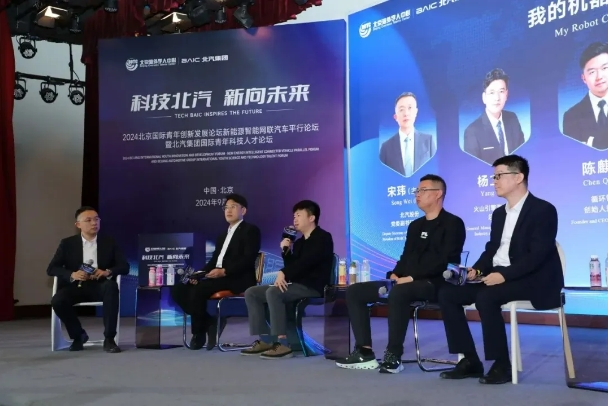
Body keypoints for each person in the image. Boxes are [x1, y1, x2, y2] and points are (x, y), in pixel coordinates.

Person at [438, 155, 564, 385]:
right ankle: (470, 360)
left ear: (518, 177)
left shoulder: (543, 210)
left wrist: (503, 275)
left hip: (534, 278)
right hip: (500, 275)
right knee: (448, 294)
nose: (494, 181)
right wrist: (477, 270)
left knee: (487, 297)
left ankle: (501, 365)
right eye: (493, 177)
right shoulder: (498, 214)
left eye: (499, 176)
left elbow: (536, 256)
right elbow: (492, 249)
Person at [335, 174, 466, 373]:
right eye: (417, 191)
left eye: (423, 190)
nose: (417, 194)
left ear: (438, 194)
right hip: (406, 282)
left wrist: (411, 278)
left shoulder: (453, 223)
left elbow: (445, 261)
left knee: (399, 292)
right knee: (355, 291)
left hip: (436, 284)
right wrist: (395, 274)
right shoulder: (415, 226)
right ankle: (364, 352)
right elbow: (406, 258)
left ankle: (393, 354)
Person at [241, 200, 334, 359]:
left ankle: (282, 343)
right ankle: (266, 339)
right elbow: (293, 268)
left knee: (274, 292)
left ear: (311, 218)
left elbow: (307, 262)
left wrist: (284, 272)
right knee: (252, 292)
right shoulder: (298, 243)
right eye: (294, 216)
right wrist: (286, 251)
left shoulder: (323, 237)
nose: (295, 219)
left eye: (299, 215)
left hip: (313, 286)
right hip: (296, 284)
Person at [171, 193, 261, 350]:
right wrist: (199, 274)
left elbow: (248, 259)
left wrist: (225, 271)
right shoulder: (222, 236)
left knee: (199, 290)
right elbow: (214, 261)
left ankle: (198, 333)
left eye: (233, 207)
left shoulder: (250, 231)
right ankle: (210, 322)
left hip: (238, 278)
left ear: (243, 210)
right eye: (226, 207)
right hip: (218, 277)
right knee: (179, 289)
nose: (228, 210)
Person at [48, 206, 129, 353]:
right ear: (78, 224)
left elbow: (124, 266)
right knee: (58, 301)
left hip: (100, 285)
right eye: (89, 220)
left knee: (111, 287)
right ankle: (78, 335)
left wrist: (107, 272)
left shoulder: (109, 242)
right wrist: (72, 274)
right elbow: (52, 268)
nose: (94, 223)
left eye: (96, 219)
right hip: (76, 286)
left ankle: (109, 338)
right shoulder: (67, 243)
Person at [463, 68, 525, 165]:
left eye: (501, 91)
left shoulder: (512, 119)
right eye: (492, 92)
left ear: (506, 94)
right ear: (484, 97)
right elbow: (472, 168)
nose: (497, 98)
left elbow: (524, 154)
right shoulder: (472, 131)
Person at [563, 41, 608, 150]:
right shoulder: (571, 116)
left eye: (604, 68)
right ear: (584, 78)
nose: (599, 77)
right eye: (592, 72)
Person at [379, 92, 436, 177]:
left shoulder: (428, 141)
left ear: (416, 112)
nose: (406, 113)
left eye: (410, 108)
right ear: (395, 117)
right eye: (401, 110)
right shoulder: (386, 147)